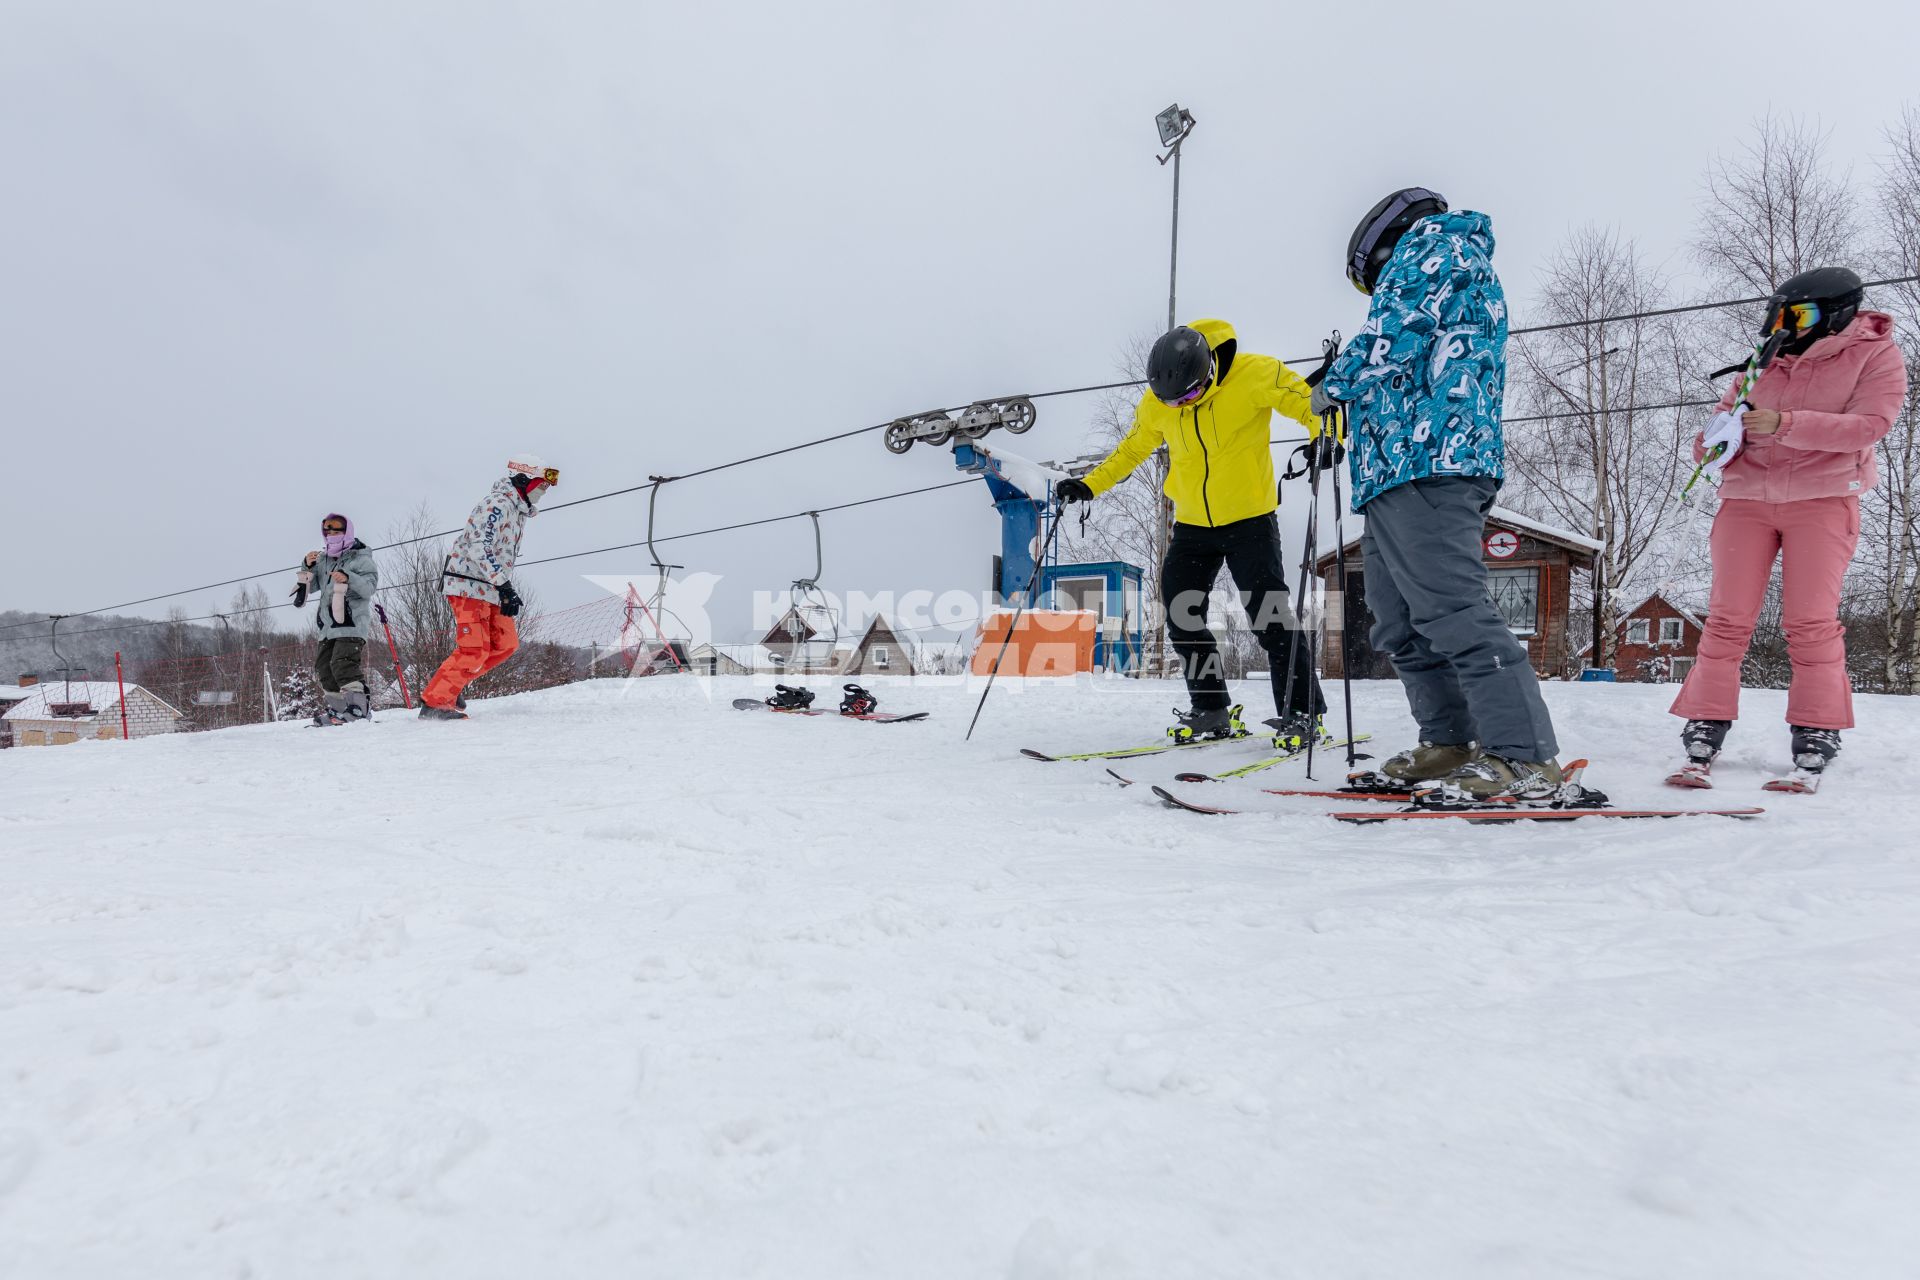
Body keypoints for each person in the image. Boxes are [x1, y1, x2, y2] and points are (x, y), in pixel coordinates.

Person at [1316, 188, 1562, 800]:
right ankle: (1451, 740)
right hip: (1392, 470)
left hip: (1432, 459)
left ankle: (1525, 756)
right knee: (1398, 620)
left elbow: (1394, 332)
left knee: (1452, 609)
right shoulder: (1436, 259)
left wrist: (1332, 383)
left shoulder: (1436, 248)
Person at [1668, 268, 1908, 786]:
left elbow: (1871, 425)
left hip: (1822, 501)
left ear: (1837, 312)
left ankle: (1817, 729)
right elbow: (1725, 415)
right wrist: (1712, 442)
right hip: (1746, 499)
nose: (1785, 324)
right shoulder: (1765, 357)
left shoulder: (1875, 354)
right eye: (1779, 315)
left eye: (1798, 315)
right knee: (1727, 618)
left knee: (1810, 621)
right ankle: (1706, 720)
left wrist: (1786, 424)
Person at [1058, 318, 1327, 747]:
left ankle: (1301, 712)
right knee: (1182, 613)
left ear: (1208, 372)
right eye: (1171, 401)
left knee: (1269, 616)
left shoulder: (1257, 373)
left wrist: (1324, 437)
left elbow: (1310, 404)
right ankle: (1212, 708)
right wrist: (1090, 484)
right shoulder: (1158, 403)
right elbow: (1132, 449)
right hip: (1193, 523)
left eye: (1188, 395)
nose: (1180, 406)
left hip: (1250, 519)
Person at [420, 455, 559, 720]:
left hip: (490, 586)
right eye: (542, 485)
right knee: (474, 648)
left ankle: (450, 682)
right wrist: (503, 584)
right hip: (468, 584)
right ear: (525, 481)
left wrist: (503, 587)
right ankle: (436, 701)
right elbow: (477, 546)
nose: (544, 492)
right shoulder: (497, 504)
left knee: (505, 644)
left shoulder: (518, 512)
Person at [296, 512, 379, 724]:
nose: (331, 534)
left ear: (347, 532)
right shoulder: (324, 559)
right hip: (328, 626)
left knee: (342, 663)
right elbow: (312, 587)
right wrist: (307, 566)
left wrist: (349, 577)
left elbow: (368, 588)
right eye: (328, 531)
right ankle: (339, 711)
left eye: (336, 531)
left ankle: (358, 708)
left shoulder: (360, 557)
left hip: (351, 624)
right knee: (324, 667)